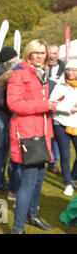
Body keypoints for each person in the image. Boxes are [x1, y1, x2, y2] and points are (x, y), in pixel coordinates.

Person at [6, 39, 57, 234]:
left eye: (42, 53)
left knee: (39, 178)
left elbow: (37, 102)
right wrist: (44, 106)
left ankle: (32, 215)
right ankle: (18, 228)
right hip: (27, 133)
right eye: (36, 52)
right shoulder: (19, 73)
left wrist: (50, 106)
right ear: (28, 53)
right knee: (28, 181)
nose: (39, 56)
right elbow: (14, 104)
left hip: (42, 132)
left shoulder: (41, 74)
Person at [0, 47, 21, 201]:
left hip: (4, 114)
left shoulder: (3, 70)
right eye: (15, 57)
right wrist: (13, 106)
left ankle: (0, 180)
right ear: (10, 58)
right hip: (1, 115)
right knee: (2, 150)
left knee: (4, 149)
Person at [49, 59, 77, 196]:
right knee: (65, 154)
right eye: (69, 70)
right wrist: (69, 109)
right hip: (60, 122)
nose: (71, 73)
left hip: (76, 124)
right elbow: (53, 103)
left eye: (74, 70)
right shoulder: (60, 85)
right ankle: (68, 183)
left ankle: (74, 176)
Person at [47, 43, 65, 175]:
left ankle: (53, 163)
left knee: (57, 137)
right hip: (43, 104)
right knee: (44, 135)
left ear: (58, 54)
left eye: (54, 53)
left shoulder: (64, 67)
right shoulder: (41, 66)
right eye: (50, 52)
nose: (52, 55)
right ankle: (41, 159)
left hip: (59, 106)